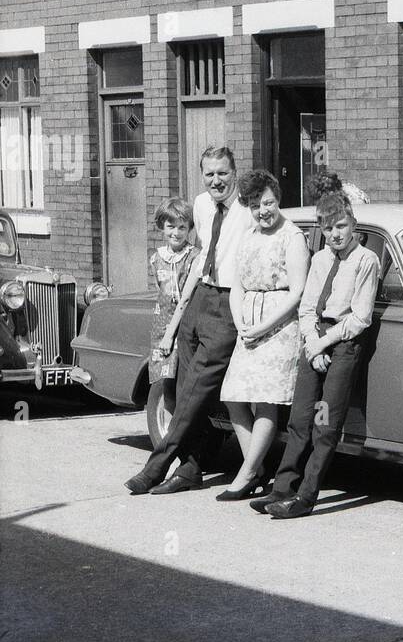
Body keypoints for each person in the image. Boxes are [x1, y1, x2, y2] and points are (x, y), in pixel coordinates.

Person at [125, 145, 255, 495]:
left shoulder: (249, 208)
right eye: (210, 173)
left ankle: (156, 465)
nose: (217, 180)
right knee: (187, 391)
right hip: (199, 298)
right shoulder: (199, 204)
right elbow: (199, 259)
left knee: (198, 390)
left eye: (223, 173)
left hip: (230, 302)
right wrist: (180, 315)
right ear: (202, 175)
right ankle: (192, 468)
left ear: (235, 172)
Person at [250, 190, 380, 520]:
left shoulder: (366, 261)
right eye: (328, 228)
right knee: (301, 418)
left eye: (341, 226)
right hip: (316, 341)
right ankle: (282, 488)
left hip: (343, 345)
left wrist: (324, 344)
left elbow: (360, 317)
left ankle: (306, 496)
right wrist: (311, 341)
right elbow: (307, 307)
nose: (335, 235)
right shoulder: (321, 259)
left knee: (325, 423)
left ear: (353, 223)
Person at [217, 170, 309, 501]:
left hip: (279, 326)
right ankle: (254, 469)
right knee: (233, 397)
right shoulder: (250, 235)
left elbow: (297, 291)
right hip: (249, 323)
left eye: (267, 202)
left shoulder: (293, 236)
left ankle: (246, 474)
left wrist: (262, 325)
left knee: (266, 401)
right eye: (255, 206)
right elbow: (237, 285)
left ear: (277, 198)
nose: (262, 211)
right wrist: (241, 319)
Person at [148, 197, 199, 417]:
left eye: (182, 227)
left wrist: (170, 335)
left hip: (185, 324)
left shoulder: (194, 257)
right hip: (162, 324)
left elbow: (185, 299)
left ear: (189, 229)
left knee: (184, 381)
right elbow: (162, 294)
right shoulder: (156, 259)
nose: (176, 233)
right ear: (162, 226)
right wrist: (164, 334)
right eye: (171, 226)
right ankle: (169, 430)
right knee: (165, 381)